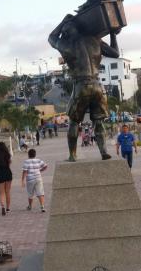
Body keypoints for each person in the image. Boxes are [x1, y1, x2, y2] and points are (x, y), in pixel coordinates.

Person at [48, 14, 120, 161]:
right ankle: (103, 151)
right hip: (98, 86)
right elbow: (116, 53)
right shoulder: (95, 40)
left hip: (82, 86)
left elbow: (51, 37)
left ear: (66, 33)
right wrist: (113, 34)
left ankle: (73, 155)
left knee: (74, 121)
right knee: (98, 121)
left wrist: (63, 21)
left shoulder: (67, 45)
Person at [0, 142, 12, 216]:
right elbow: (9, 164)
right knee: (7, 191)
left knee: (1, 193)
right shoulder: (8, 155)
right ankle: (8, 208)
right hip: (8, 173)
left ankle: (3, 206)